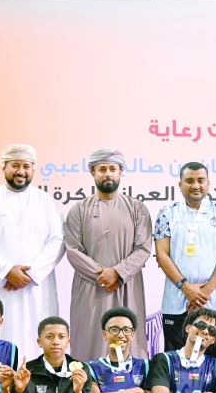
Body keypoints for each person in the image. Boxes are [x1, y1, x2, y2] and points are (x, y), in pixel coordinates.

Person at [0, 144, 66, 359]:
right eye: (15, 165)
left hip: (36, 287)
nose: (21, 171)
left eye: (26, 166)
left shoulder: (46, 202)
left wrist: (30, 274)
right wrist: (5, 271)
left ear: (33, 169)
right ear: (3, 167)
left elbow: (58, 241)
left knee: (38, 335)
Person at [65, 149, 153, 360]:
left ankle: (131, 387)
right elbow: (72, 249)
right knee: (88, 340)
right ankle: (85, 388)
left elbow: (143, 248)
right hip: (90, 287)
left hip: (127, 285)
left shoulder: (137, 209)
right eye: (102, 169)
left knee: (128, 337)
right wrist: (102, 275)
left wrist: (118, 272)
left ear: (120, 171)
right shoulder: (78, 210)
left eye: (112, 169)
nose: (108, 174)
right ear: (92, 172)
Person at [155, 161, 216, 352]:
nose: (196, 185)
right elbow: (162, 255)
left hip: (214, 302)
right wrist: (186, 287)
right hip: (176, 303)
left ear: (208, 183)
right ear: (180, 185)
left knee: (213, 365)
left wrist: (204, 292)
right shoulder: (167, 213)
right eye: (189, 181)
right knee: (175, 361)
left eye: (201, 180)